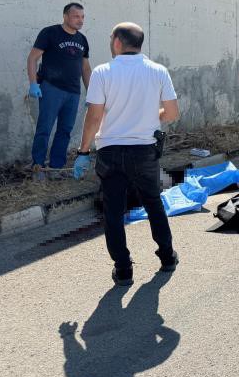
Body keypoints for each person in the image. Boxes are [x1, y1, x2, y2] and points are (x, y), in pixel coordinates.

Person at [73, 22, 180, 286]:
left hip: (111, 151)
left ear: (118, 42)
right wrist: (150, 116)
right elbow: (172, 113)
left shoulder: (102, 72)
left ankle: (123, 269)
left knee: (113, 211)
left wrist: (83, 151)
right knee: (153, 203)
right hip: (145, 150)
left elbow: (94, 116)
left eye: (111, 38)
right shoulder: (158, 71)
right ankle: (167, 257)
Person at [27, 3, 91, 178]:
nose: (80, 20)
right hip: (51, 88)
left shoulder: (82, 40)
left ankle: (56, 168)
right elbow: (32, 58)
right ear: (65, 16)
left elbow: (85, 68)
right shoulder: (50, 33)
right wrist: (33, 83)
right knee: (44, 128)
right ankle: (38, 167)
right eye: (76, 16)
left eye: (83, 17)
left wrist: (92, 93)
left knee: (65, 130)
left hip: (73, 92)